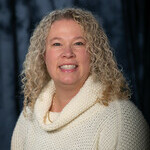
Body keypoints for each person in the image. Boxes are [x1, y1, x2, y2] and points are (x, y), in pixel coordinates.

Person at [11, 8, 150, 150]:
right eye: (57, 44)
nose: (68, 53)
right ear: (43, 55)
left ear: (94, 53)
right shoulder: (28, 117)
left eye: (78, 43)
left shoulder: (123, 120)